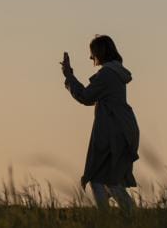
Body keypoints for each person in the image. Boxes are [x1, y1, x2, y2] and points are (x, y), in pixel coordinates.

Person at [60, 35, 140, 211]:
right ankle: (131, 217)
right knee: (111, 180)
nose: (90, 57)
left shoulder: (106, 74)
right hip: (124, 128)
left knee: (97, 178)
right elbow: (91, 99)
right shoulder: (117, 72)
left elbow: (86, 97)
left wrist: (69, 76)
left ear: (100, 53)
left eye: (92, 53)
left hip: (111, 130)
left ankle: (105, 218)